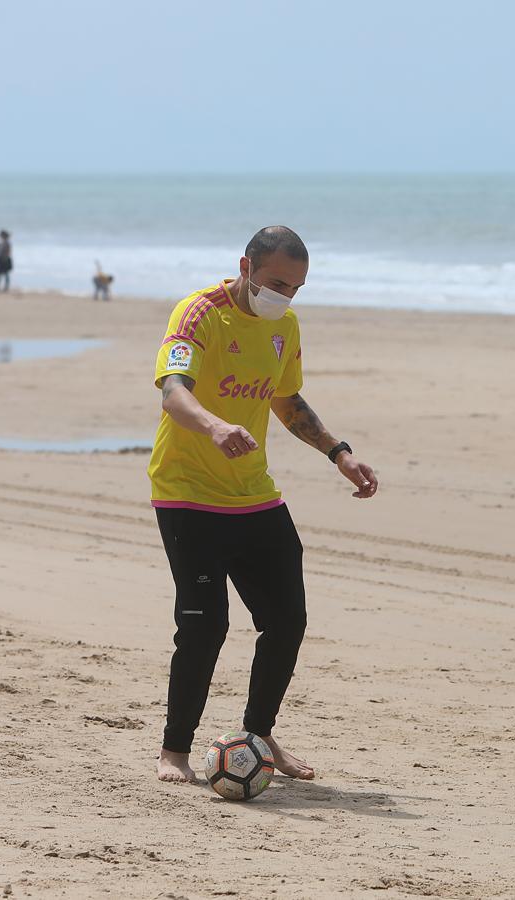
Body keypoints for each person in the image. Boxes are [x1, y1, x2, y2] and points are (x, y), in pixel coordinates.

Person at [149, 225, 379, 784]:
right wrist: (213, 424)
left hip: (254, 495)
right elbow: (173, 388)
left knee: (286, 620)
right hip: (188, 494)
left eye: (297, 288)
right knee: (205, 627)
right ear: (246, 267)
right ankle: (174, 751)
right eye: (277, 283)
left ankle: (259, 734)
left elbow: (285, 397)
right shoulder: (199, 313)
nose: (285, 296)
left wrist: (338, 453)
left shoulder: (285, 325)